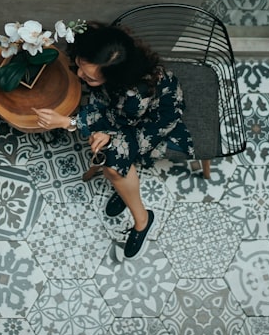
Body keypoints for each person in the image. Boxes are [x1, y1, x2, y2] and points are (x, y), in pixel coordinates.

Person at [34, 23, 193, 259]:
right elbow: (106, 107)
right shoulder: (105, 47)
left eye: (90, 78)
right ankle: (124, 188)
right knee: (110, 158)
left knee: (113, 164)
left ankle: (142, 219)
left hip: (148, 122)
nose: (79, 76)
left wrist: (69, 123)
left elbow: (121, 123)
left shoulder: (133, 96)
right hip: (123, 111)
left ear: (114, 78)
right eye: (79, 66)